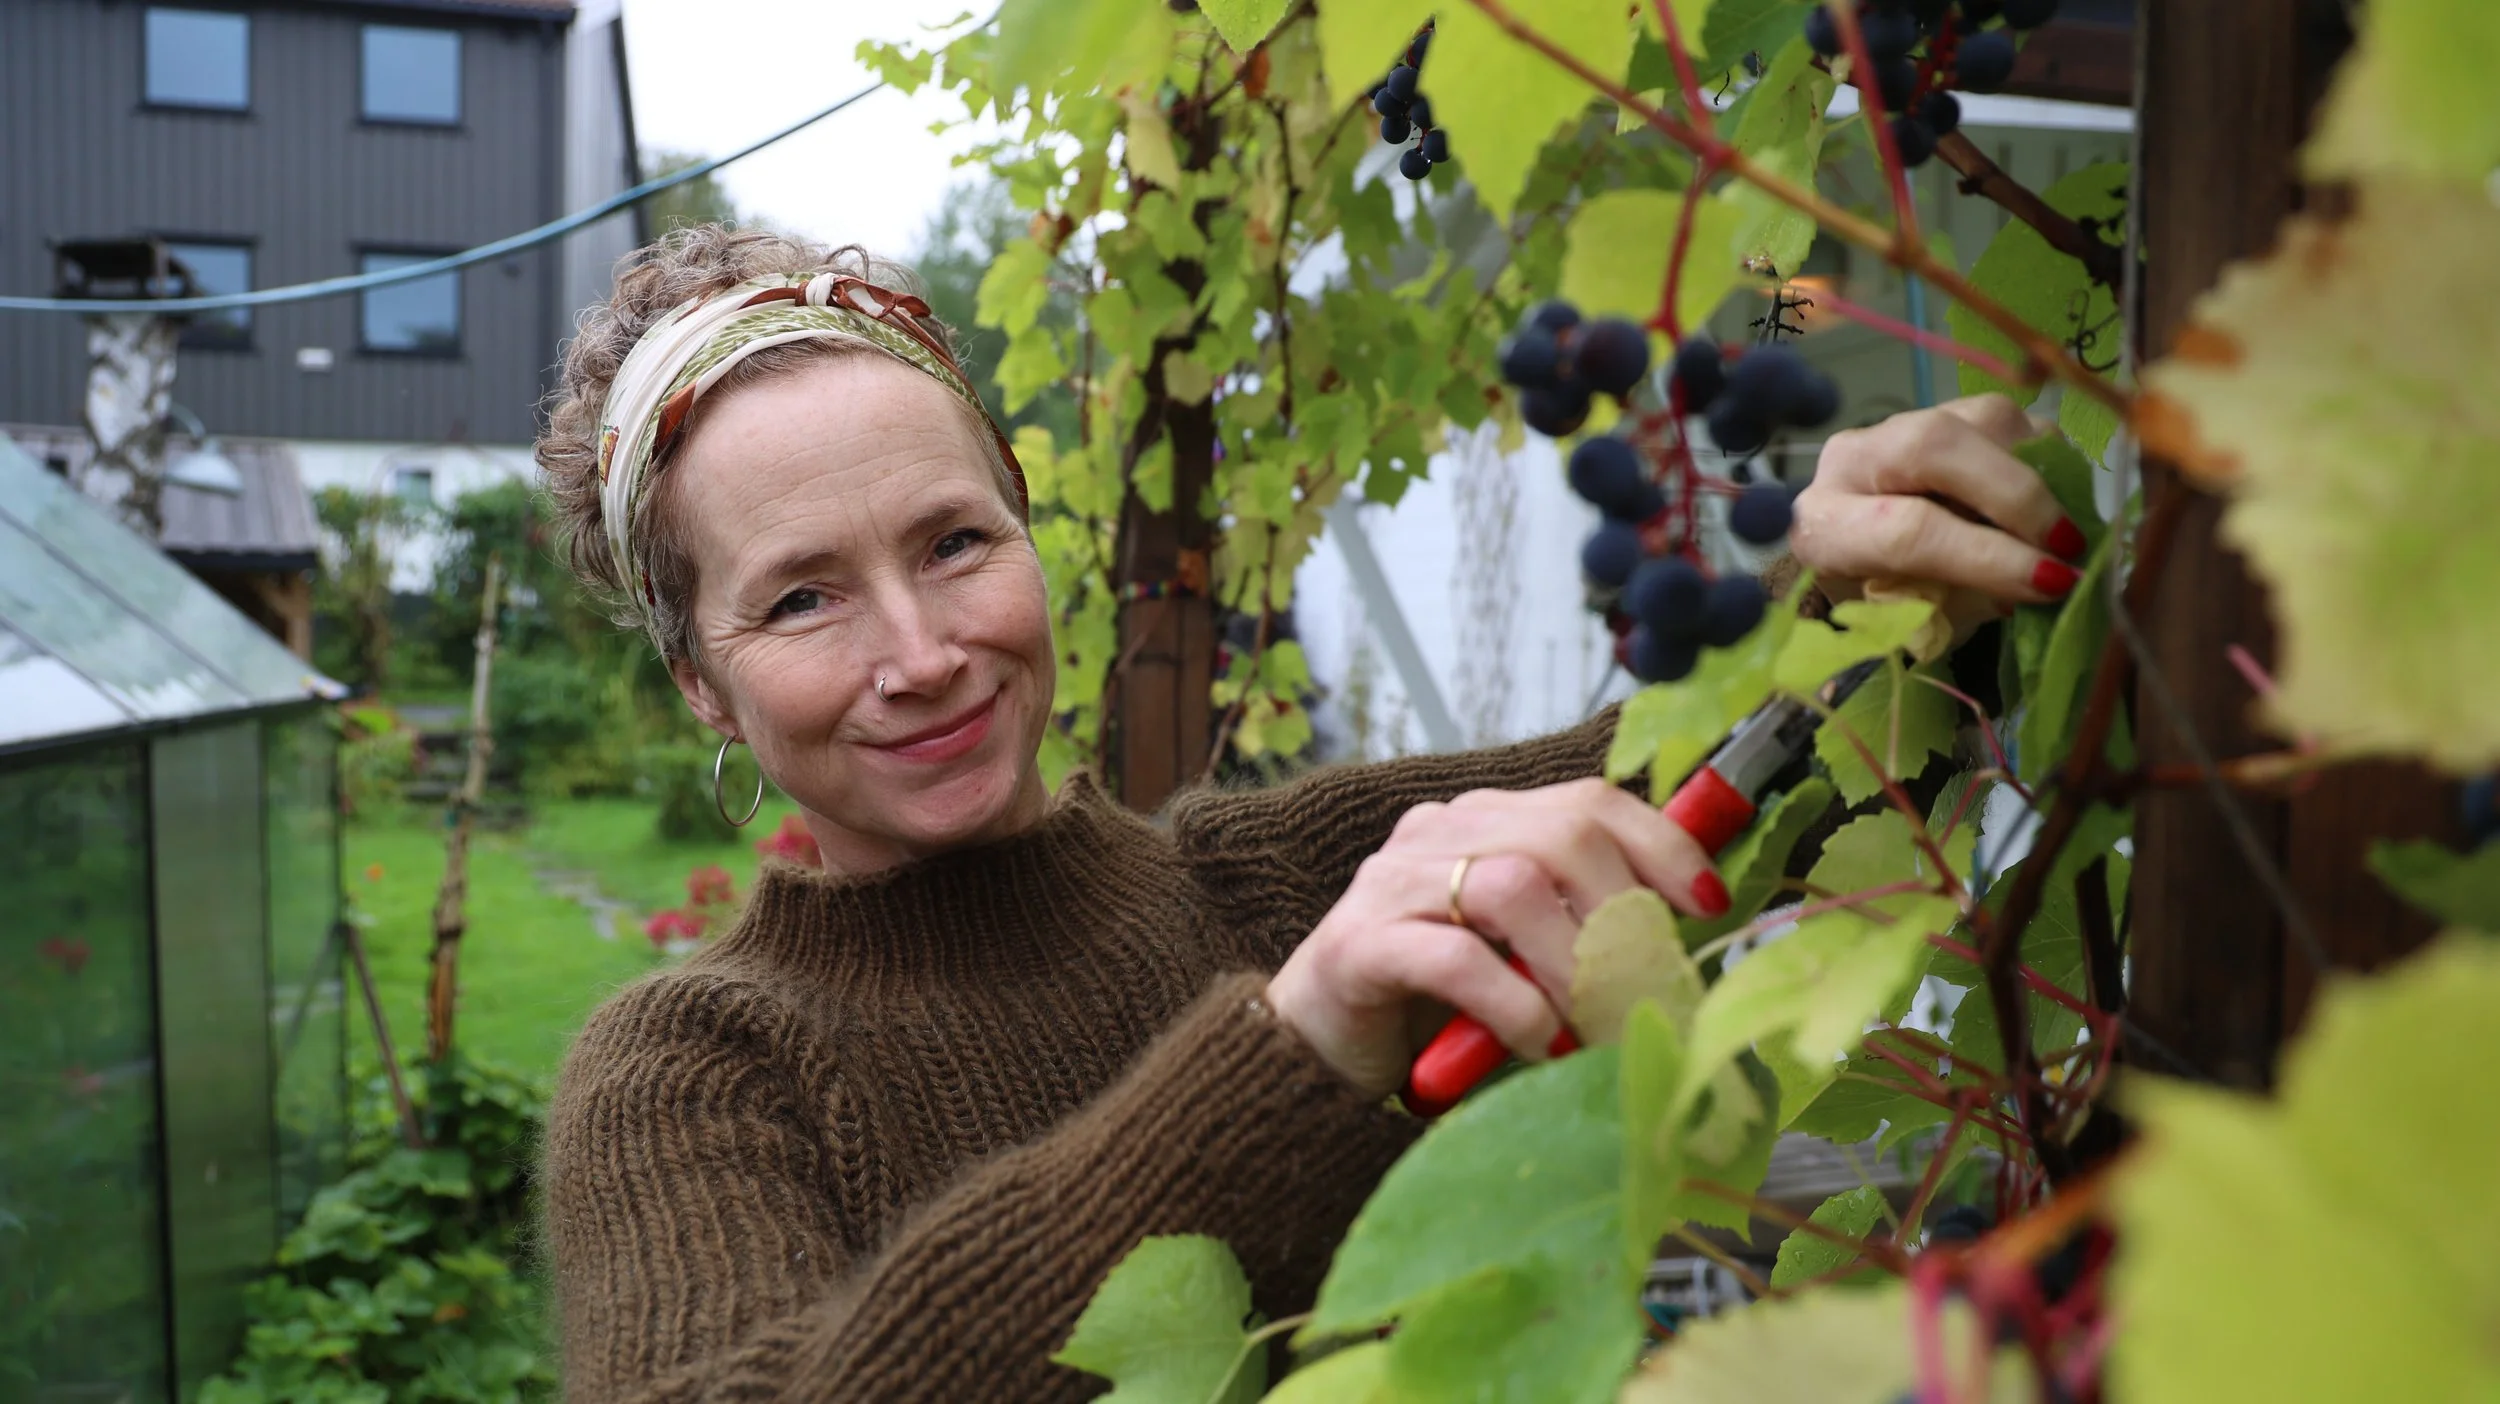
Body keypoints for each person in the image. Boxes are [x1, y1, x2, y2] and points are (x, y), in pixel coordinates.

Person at [536, 227, 2088, 1404]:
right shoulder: (689, 1071)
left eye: (952, 543)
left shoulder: (1263, 879)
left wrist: (1865, 580)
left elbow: (1691, 786)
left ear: (1023, 524)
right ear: (699, 682)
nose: (922, 653)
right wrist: (1289, 1056)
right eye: (803, 597)